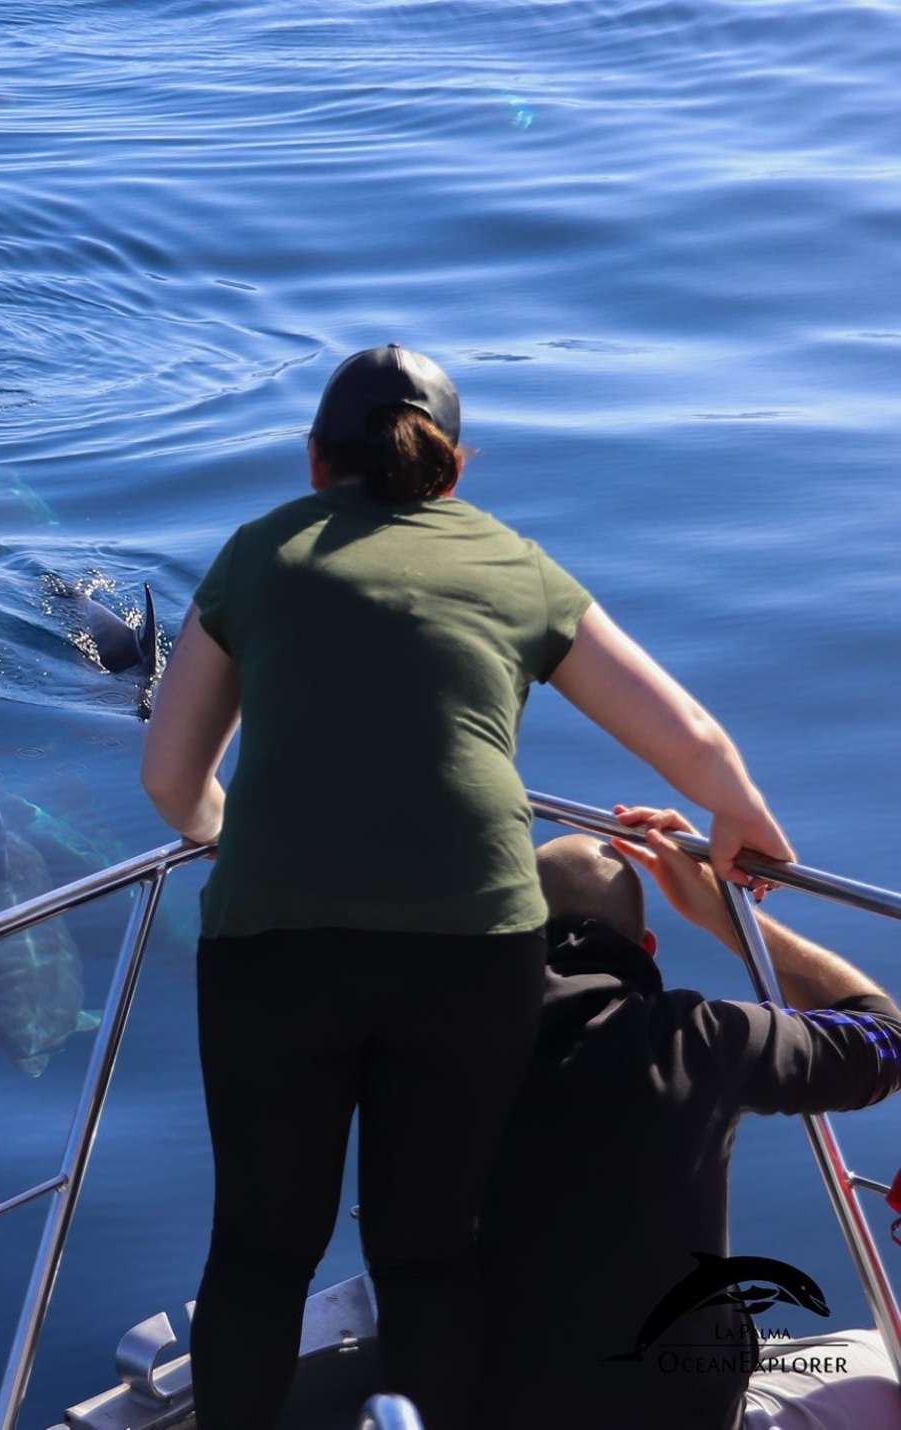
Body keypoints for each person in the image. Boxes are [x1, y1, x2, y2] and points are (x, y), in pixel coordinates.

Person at [141, 344, 794, 1430]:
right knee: (428, 1245)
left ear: (315, 462)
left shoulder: (261, 552)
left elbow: (171, 775)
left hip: (275, 942)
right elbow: (686, 731)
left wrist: (229, 837)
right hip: (473, 946)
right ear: (454, 469)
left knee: (258, 1248)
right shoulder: (513, 562)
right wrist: (744, 818)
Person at [478, 807, 901, 1430]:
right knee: (877, 1369)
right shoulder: (700, 1039)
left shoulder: (439, 1040)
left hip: (474, 1404)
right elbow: (885, 1042)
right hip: (682, 1412)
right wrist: (728, 914)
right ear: (646, 948)